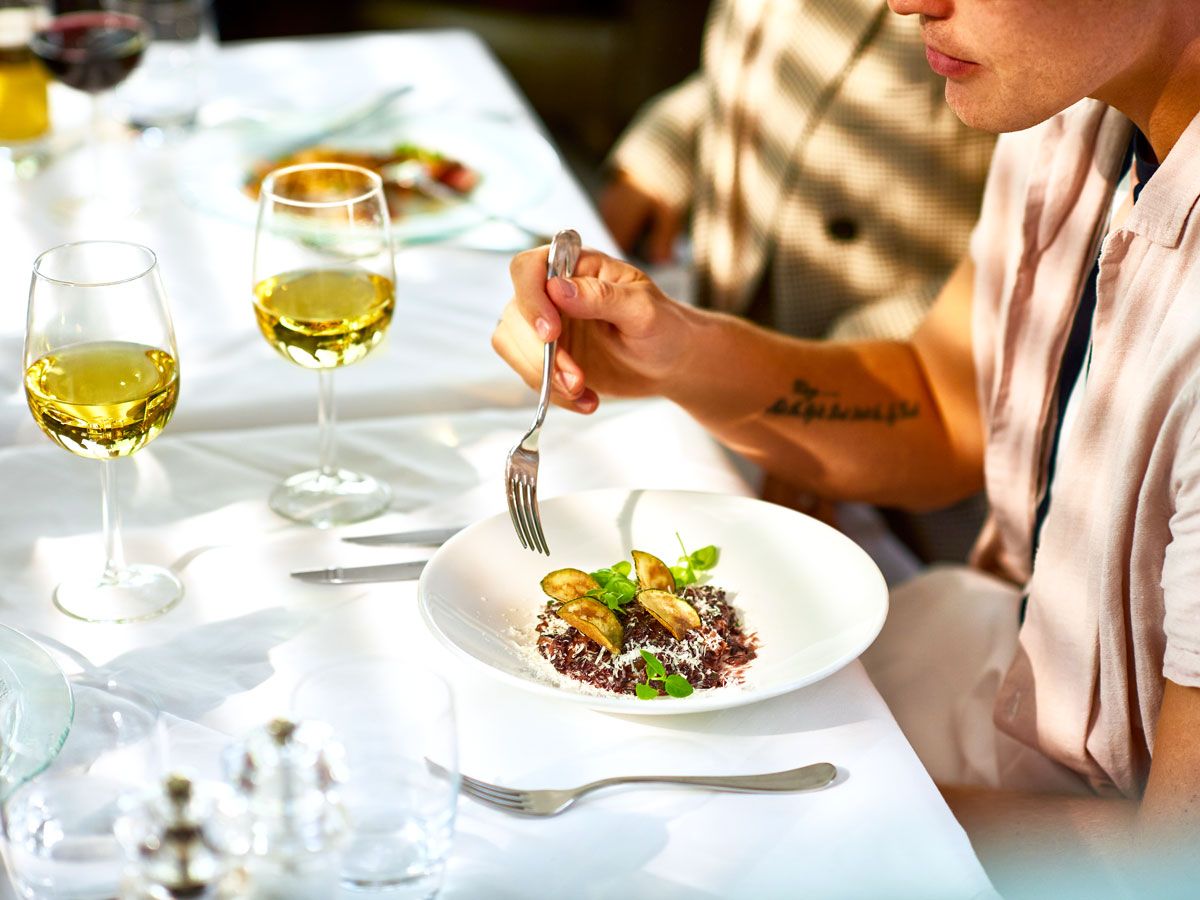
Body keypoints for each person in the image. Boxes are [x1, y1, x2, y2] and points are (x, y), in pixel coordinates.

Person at [493, 0, 1200, 890]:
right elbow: (943, 404)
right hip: (983, 681)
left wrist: (756, 818)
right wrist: (675, 351)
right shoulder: (1074, 104)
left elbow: (1172, 863)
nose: (905, 3)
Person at [601, 0, 998, 565]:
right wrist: (664, 150)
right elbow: (760, 64)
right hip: (736, 322)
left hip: (899, 410)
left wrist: (834, 392)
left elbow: (1031, 228)